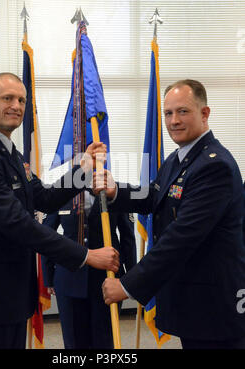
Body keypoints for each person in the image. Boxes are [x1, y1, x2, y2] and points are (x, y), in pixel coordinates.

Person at [0, 72, 119, 349]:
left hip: (11, 293)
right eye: (7, 98)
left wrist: (84, 167)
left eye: (21, 100)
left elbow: (44, 198)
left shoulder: (8, 152)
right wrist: (86, 255)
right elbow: (19, 225)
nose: (16, 105)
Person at [97, 79, 245, 349]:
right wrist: (114, 190)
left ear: (205, 113)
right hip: (193, 298)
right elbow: (156, 195)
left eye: (183, 111)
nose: (174, 120)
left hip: (214, 305)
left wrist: (128, 285)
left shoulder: (214, 166)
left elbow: (181, 238)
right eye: (168, 113)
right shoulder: (181, 157)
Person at [41, 189, 137, 349]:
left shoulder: (113, 191)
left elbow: (128, 236)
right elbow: (47, 235)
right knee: (74, 342)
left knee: (104, 340)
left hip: (107, 279)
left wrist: (131, 278)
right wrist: (48, 276)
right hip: (69, 278)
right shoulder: (60, 191)